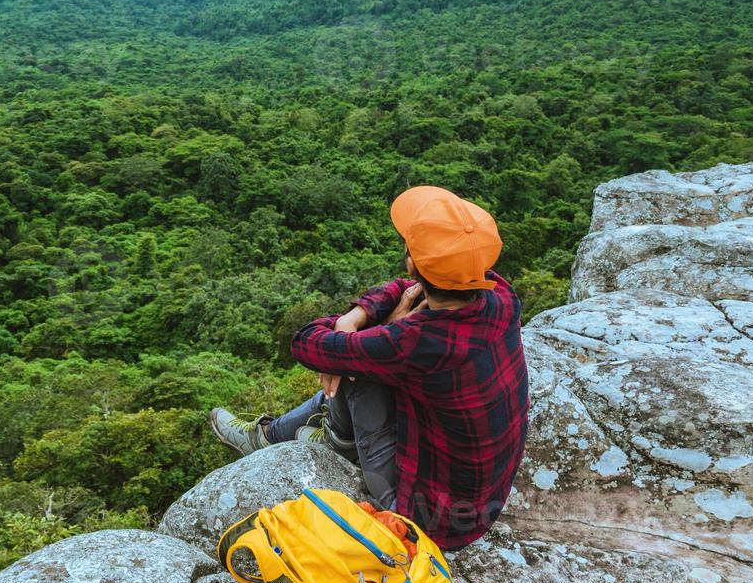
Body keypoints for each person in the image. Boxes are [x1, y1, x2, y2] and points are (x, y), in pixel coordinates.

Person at [208, 185, 529, 549]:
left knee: (357, 370)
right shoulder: (499, 295)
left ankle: (324, 441)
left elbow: (305, 342)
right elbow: (403, 288)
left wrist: (362, 334)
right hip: (477, 505)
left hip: (424, 519)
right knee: (356, 356)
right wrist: (355, 316)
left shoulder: (413, 342)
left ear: (412, 259)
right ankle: (280, 435)